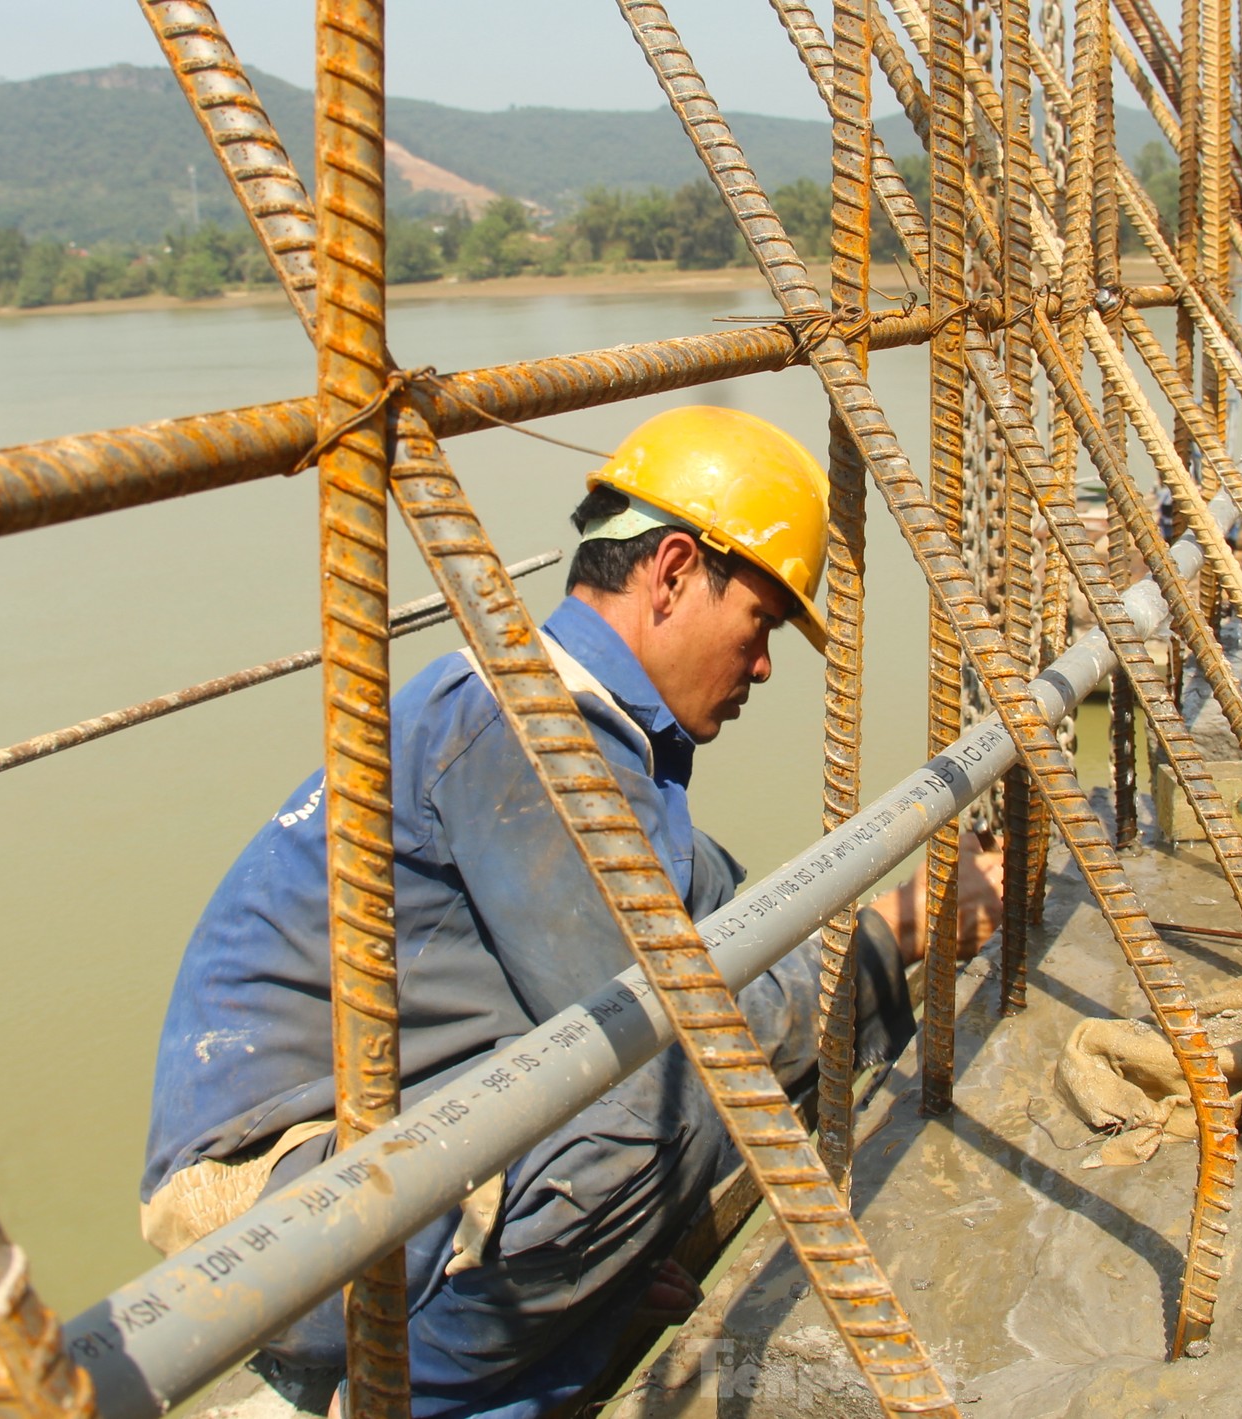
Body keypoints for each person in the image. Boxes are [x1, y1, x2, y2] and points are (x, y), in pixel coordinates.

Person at [141, 405, 1002, 1419]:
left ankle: (528, 1330)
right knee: (668, 1103)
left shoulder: (604, 744)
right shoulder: (521, 731)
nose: (763, 666)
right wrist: (903, 931)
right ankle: (401, 1402)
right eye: (761, 625)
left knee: (701, 1096)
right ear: (673, 572)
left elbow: (744, 928)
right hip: (275, 1210)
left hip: (376, 1161)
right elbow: (682, 1036)